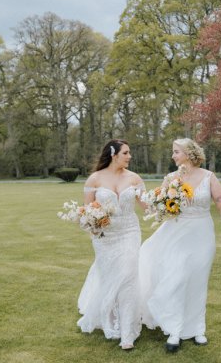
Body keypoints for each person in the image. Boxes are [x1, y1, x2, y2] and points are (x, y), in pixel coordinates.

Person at [139, 138, 221, 353]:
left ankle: (197, 329)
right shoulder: (171, 178)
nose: (173, 156)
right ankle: (175, 330)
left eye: (176, 151)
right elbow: (160, 205)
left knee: (197, 281)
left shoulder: (209, 177)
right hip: (176, 234)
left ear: (188, 153)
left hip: (202, 234)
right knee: (177, 279)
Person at [76, 139, 146, 350]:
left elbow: (146, 205)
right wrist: (94, 226)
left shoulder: (134, 178)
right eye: (126, 152)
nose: (130, 156)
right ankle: (110, 319)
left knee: (128, 276)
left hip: (130, 232)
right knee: (110, 278)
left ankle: (127, 333)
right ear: (114, 154)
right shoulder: (95, 179)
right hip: (105, 237)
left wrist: (169, 204)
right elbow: (86, 211)